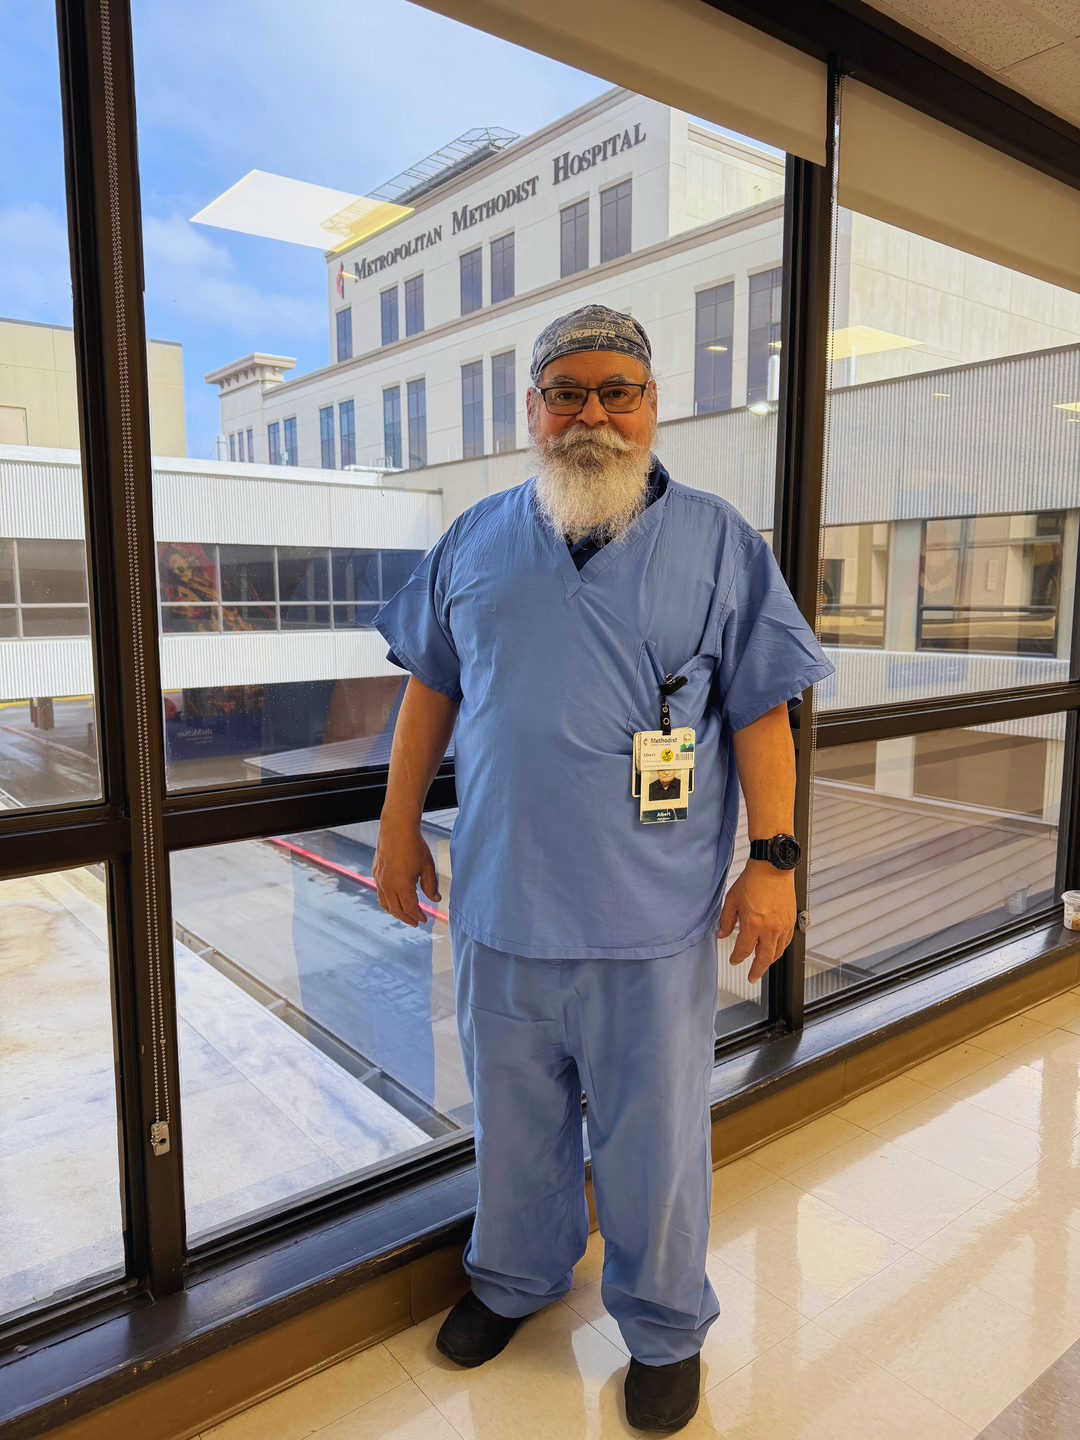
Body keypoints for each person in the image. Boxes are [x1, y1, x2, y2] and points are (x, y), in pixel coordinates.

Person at [373, 304, 833, 1433]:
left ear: (652, 405)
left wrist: (772, 862)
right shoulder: (475, 540)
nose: (593, 413)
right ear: (532, 410)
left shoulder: (722, 542)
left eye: (617, 390)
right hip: (499, 904)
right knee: (515, 1123)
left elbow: (763, 713)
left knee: (654, 1140)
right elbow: (427, 691)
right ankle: (517, 1279)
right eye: (567, 391)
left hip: (652, 918)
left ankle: (665, 1324)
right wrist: (396, 830)